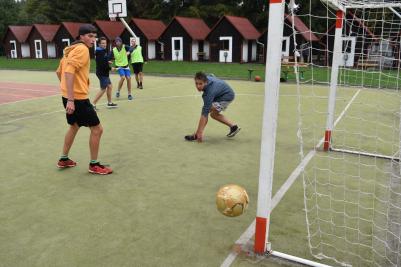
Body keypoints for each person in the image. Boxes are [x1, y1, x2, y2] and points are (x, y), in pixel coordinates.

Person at [56, 24, 113, 175]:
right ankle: (94, 165)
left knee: (74, 126)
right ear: (81, 37)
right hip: (77, 99)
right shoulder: (82, 50)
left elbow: (59, 72)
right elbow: (68, 72)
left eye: (95, 36)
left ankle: (63, 159)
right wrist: (71, 99)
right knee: (97, 129)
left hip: (68, 96)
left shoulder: (70, 50)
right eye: (90, 36)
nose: (93, 39)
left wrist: (66, 93)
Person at [185, 72, 241, 142]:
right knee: (213, 114)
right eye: (196, 83)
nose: (198, 86)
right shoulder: (207, 78)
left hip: (226, 97)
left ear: (206, 82)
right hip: (221, 93)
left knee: (209, 112)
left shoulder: (209, 93)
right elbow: (212, 75)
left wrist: (199, 132)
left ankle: (197, 134)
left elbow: (204, 114)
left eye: (200, 84)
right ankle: (234, 127)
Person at [92, 37, 118, 110]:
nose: (104, 44)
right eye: (102, 43)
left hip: (104, 72)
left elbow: (102, 61)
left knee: (109, 86)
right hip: (102, 73)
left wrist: (107, 62)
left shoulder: (102, 51)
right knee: (103, 89)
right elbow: (101, 65)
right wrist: (110, 68)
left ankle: (109, 103)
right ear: (99, 44)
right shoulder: (100, 52)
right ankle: (93, 104)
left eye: (105, 43)